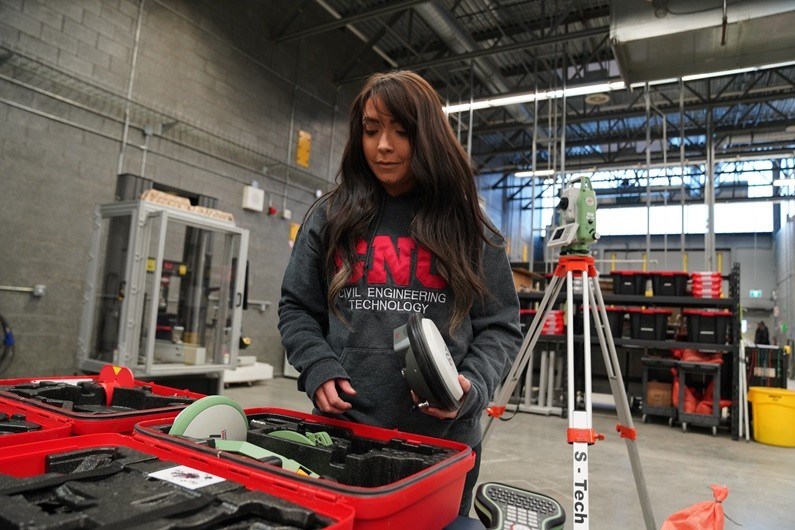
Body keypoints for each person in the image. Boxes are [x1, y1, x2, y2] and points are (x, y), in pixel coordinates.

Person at [278, 70, 523, 516]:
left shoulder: (469, 228)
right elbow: (297, 307)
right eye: (371, 130)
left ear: (427, 136)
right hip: (343, 436)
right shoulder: (330, 217)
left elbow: (501, 326)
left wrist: (471, 388)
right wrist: (317, 365)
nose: (383, 145)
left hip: (440, 447)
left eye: (401, 131)